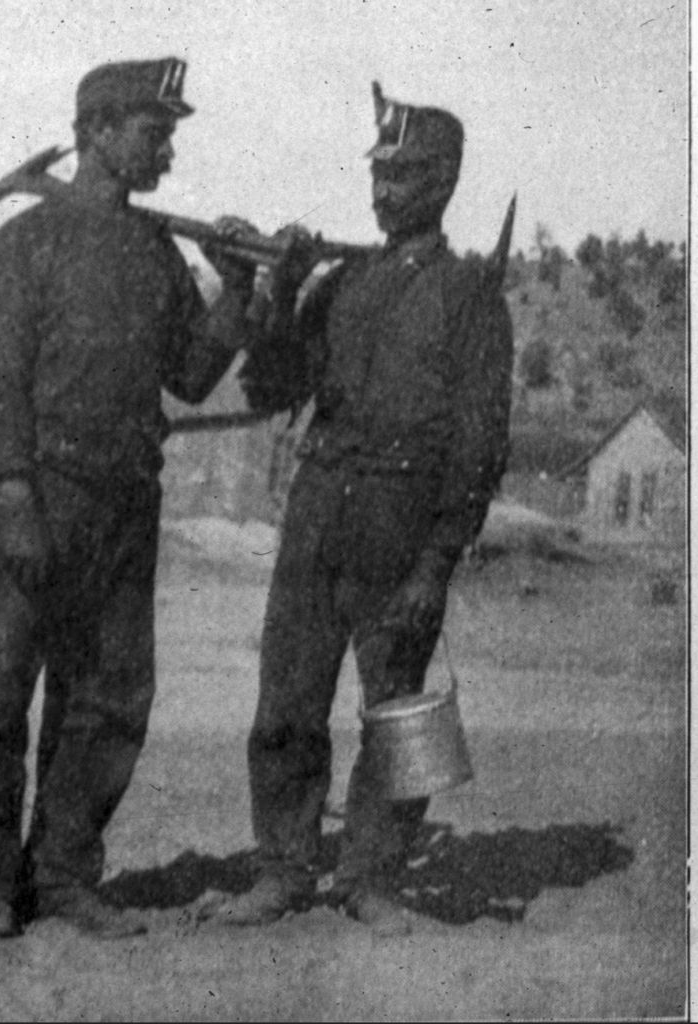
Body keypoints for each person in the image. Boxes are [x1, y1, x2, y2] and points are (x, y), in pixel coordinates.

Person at [0, 57, 258, 938]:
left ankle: (65, 876)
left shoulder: (159, 255)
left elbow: (193, 378)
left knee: (111, 695)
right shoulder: (25, 243)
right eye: (153, 132)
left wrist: (237, 288)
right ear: (95, 133)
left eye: (169, 135)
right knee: (3, 688)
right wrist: (10, 488)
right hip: (38, 492)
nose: (166, 150)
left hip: (125, 505)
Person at [211, 82, 514, 933]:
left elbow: (480, 447)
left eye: (406, 176)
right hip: (317, 515)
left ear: (446, 181)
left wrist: (436, 563)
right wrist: (279, 290)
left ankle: (371, 881)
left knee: (396, 715)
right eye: (378, 175)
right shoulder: (337, 284)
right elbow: (270, 386)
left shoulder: (470, 299)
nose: (384, 193)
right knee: (285, 708)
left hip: (402, 527)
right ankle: (282, 872)